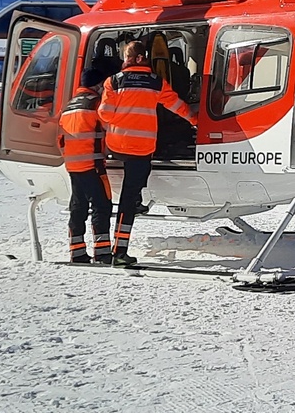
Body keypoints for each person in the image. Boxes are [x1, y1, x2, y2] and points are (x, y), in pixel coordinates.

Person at [97, 41, 196, 266]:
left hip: (116, 145)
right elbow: (176, 105)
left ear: (135, 58)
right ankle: (120, 250)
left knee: (121, 194)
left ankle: (111, 244)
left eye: (127, 57)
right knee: (128, 199)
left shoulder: (113, 81)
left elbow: (104, 114)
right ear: (143, 58)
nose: (125, 61)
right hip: (142, 149)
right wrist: (195, 120)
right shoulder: (156, 82)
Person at [58, 87, 110, 263]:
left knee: (78, 207)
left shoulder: (68, 106)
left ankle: (77, 251)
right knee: (101, 206)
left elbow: (60, 139)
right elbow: (109, 126)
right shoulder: (95, 103)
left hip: (73, 165)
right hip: (92, 164)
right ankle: (102, 253)